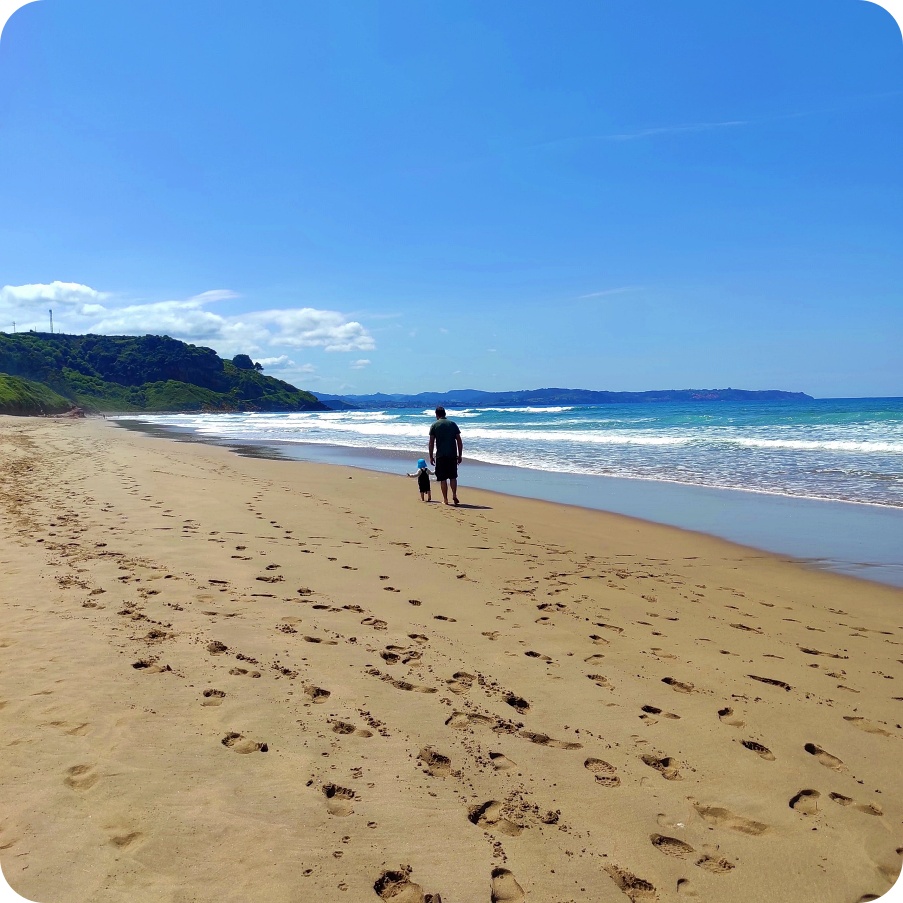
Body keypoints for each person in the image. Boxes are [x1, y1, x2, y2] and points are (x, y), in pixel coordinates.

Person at [428, 406, 463, 505]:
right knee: (453, 477)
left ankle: (445, 499)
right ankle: (454, 495)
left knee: (443, 478)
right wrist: (460, 455)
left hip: (441, 456)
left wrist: (430, 456)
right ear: (445, 414)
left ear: (436, 414)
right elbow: (459, 442)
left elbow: (431, 443)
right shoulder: (452, 424)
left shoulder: (434, 425)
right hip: (452, 455)